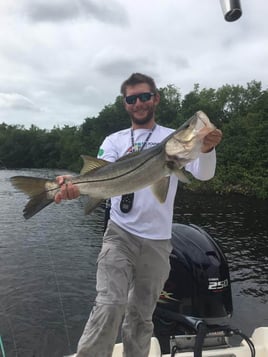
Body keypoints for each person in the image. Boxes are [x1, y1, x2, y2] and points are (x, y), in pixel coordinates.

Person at [55, 73, 222, 357]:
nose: (139, 103)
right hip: (120, 235)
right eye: (132, 99)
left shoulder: (172, 141)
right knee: (109, 306)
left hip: (158, 242)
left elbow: (204, 175)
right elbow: (99, 176)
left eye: (145, 96)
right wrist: (72, 185)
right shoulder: (114, 140)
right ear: (125, 104)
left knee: (141, 317)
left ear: (155, 98)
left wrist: (207, 149)